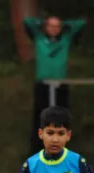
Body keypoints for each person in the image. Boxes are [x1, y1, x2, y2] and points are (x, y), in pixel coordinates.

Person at [23, 15, 87, 155]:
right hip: (43, 84)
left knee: (62, 119)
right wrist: (43, 22)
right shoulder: (39, 37)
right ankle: (39, 152)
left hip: (61, 85)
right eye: (51, 26)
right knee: (41, 118)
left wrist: (63, 23)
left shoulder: (65, 39)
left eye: (57, 27)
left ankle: (61, 152)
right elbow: (27, 22)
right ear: (45, 27)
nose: (54, 29)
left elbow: (81, 23)